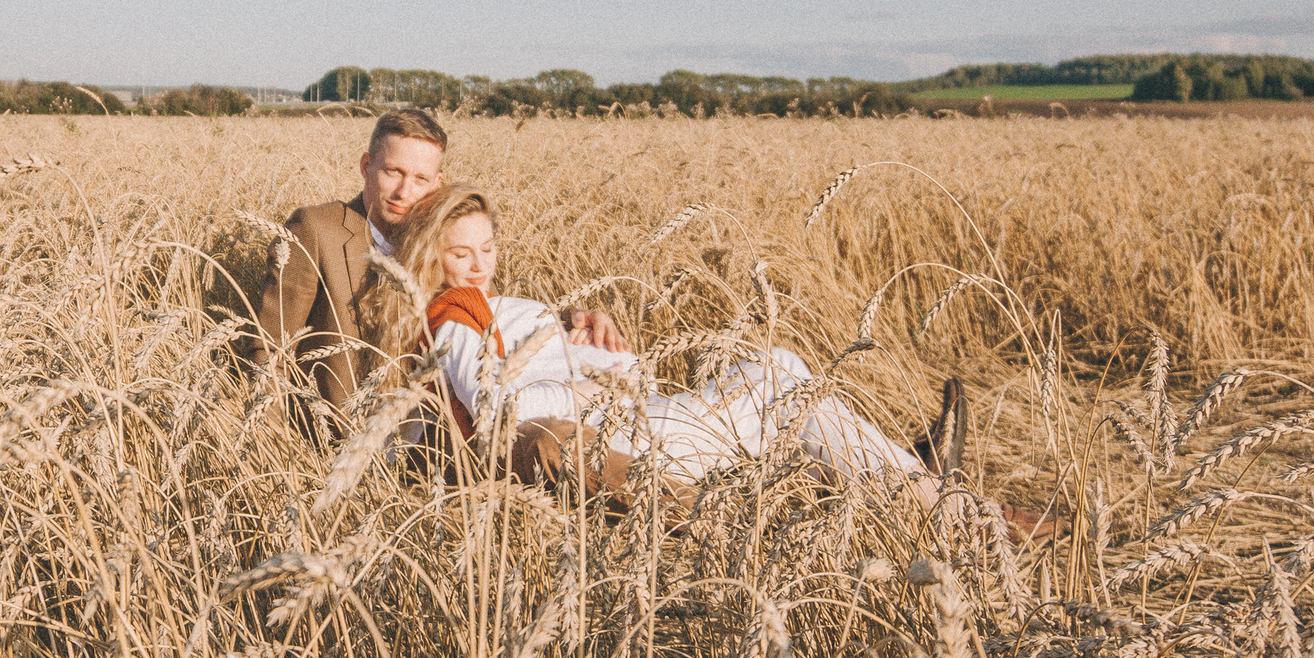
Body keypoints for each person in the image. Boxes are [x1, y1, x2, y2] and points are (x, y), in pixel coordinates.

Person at [373, 185, 942, 505]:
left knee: (780, 372)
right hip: (625, 433)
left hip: (634, 416)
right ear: (431, 256)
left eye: (488, 250)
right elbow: (496, 407)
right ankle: (929, 495)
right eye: (460, 254)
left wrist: (582, 333)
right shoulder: (455, 311)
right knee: (783, 379)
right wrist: (585, 382)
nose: (478, 266)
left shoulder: (485, 307)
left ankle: (909, 483)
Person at [251, 109, 628, 425]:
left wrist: (570, 321)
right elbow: (265, 350)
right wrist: (286, 453)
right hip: (344, 436)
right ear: (367, 166)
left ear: (437, 182)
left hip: (435, 442)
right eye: (392, 172)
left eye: (420, 179)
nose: (404, 192)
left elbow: (483, 311)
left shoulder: (443, 239)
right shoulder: (317, 230)